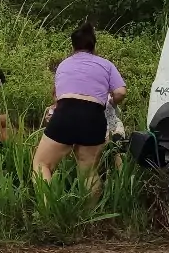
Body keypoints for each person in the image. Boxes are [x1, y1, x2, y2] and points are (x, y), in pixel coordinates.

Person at [34, 21, 125, 192]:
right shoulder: (106, 65)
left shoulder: (64, 64)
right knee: (89, 173)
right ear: (93, 46)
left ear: (73, 46)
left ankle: (49, 210)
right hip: (94, 117)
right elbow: (121, 92)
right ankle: (90, 216)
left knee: (42, 164)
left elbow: (56, 95)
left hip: (66, 112)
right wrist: (112, 100)